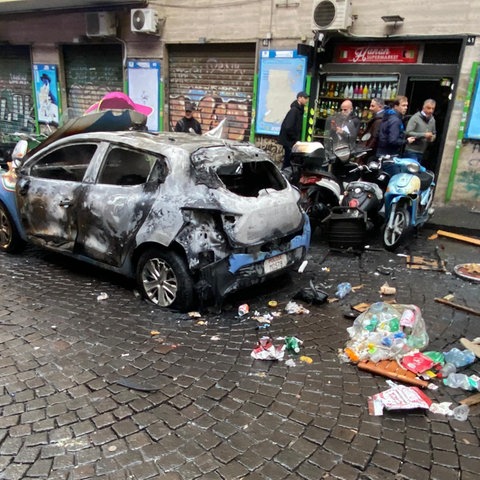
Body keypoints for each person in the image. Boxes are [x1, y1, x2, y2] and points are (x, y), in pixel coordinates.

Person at [278, 91, 309, 169]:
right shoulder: (294, 110)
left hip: (291, 141)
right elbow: (288, 126)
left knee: (289, 161)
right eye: (305, 98)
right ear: (299, 98)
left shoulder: (299, 110)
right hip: (290, 141)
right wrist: (294, 138)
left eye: (307, 98)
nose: (307, 100)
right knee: (288, 162)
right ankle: (284, 177)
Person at [404, 99, 437, 163]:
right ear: (423, 107)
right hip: (411, 150)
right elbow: (408, 132)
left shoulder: (432, 120)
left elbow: (434, 133)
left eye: (433, 109)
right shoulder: (415, 118)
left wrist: (431, 138)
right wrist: (424, 135)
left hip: (422, 151)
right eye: (429, 108)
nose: (431, 111)